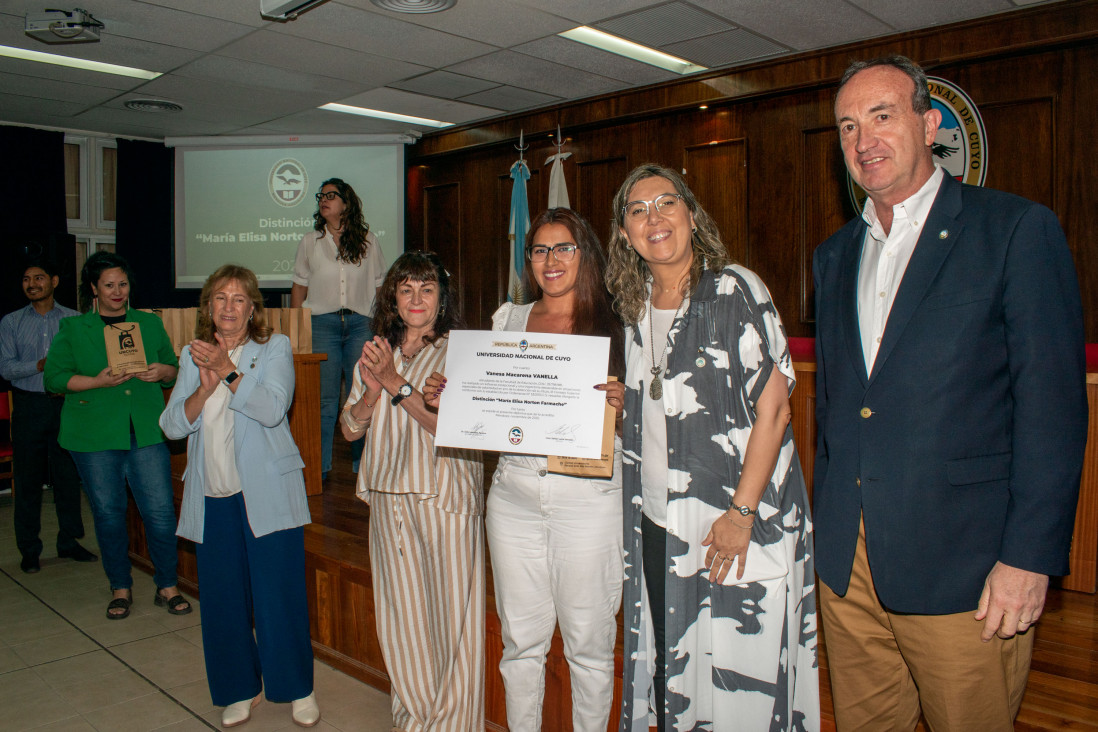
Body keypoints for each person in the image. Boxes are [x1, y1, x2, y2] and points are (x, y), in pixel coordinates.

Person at [813, 55, 1088, 731]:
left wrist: (1029, 558)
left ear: (929, 122)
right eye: (848, 126)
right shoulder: (834, 254)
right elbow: (844, 410)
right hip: (850, 571)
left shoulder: (1015, 231)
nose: (863, 139)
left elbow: (1052, 408)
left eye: (882, 115)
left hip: (965, 571)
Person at [605, 163, 818, 731]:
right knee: (674, 663)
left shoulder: (734, 290)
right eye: (637, 210)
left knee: (737, 673)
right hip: (658, 520)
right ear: (624, 234)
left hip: (730, 518)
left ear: (691, 216)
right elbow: (664, 398)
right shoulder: (634, 306)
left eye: (666, 203)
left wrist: (742, 513)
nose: (654, 218)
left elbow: (774, 408)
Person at [433, 208, 626, 731]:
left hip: (588, 501)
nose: (551, 259)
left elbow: (651, 415)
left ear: (585, 254)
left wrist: (624, 404)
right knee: (521, 642)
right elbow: (489, 402)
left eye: (564, 247)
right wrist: (451, 395)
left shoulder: (618, 322)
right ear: (529, 260)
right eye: (540, 250)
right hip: (514, 498)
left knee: (588, 644)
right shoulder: (507, 320)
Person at [160, 264, 319, 728]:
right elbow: (170, 424)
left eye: (239, 300)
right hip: (213, 495)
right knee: (223, 598)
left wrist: (228, 373)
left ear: (252, 310)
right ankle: (237, 688)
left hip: (268, 492)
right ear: (208, 307)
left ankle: (297, 689)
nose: (229, 307)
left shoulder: (274, 348)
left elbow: (273, 409)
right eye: (220, 299)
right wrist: (201, 388)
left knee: (279, 595)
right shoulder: (194, 356)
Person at [340, 250, 484, 732]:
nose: (416, 298)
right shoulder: (376, 350)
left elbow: (455, 428)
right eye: (406, 289)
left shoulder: (463, 351)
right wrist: (373, 391)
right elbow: (349, 429)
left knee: (453, 624)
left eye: (427, 289)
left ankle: (453, 724)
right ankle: (414, 718)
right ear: (392, 298)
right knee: (401, 619)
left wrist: (397, 384)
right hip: (386, 494)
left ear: (442, 299)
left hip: (444, 494)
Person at [43, 251, 190, 620]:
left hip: (146, 432)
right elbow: (54, 379)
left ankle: (167, 584)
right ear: (93, 288)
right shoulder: (75, 329)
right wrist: (97, 381)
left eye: (122, 284)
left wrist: (163, 372)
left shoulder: (148, 323)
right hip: (94, 438)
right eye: (108, 285)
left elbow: (173, 369)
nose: (117, 291)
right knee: (109, 515)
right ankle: (120, 587)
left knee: (159, 513)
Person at [0, 256, 95, 574]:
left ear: (54, 281)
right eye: (26, 279)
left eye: (38, 278)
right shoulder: (11, 322)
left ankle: (69, 541)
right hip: (28, 405)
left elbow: (84, 364)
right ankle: (29, 548)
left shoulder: (74, 320)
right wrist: (39, 365)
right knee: (27, 480)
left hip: (65, 404)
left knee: (68, 476)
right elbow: (7, 368)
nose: (32, 284)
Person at [291, 177, 387, 480]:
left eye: (332, 195)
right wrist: (297, 327)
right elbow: (299, 287)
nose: (324, 199)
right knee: (326, 400)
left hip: (361, 323)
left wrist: (383, 324)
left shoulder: (369, 240)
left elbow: (380, 286)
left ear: (346, 203)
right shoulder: (310, 241)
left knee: (362, 394)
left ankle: (363, 466)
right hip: (321, 325)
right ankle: (321, 466)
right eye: (322, 195)